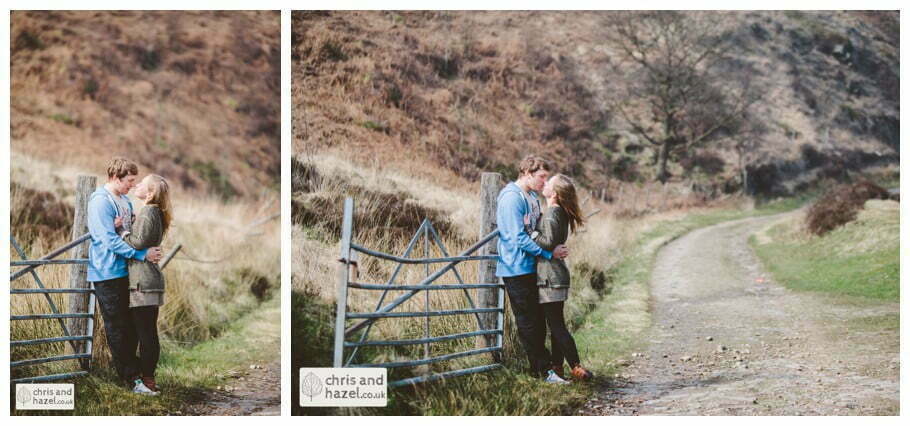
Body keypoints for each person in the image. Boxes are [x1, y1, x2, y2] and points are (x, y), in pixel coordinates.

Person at [86, 157, 163, 395]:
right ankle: (131, 380)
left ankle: (136, 375)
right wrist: (142, 254)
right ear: (115, 177)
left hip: (127, 274)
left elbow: (128, 233)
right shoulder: (101, 201)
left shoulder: (126, 201)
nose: (132, 184)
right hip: (107, 273)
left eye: (134, 180)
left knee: (130, 328)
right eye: (129, 180)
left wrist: (128, 232)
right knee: (117, 328)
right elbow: (107, 240)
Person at [495, 155, 570, 384]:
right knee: (528, 322)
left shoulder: (532, 198)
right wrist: (549, 253)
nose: (543, 182)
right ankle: (542, 371)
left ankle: (546, 369)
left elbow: (537, 232)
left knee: (538, 321)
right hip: (515, 267)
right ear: (527, 173)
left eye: (546, 177)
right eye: (541, 177)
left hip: (532, 267)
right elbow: (518, 237)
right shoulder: (511, 198)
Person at [533, 174, 593, 381]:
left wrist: (530, 233)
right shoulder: (559, 212)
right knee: (557, 324)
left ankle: (576, 367)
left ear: (555, 194)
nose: (545, 183)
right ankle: (558, 368)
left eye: (548, 182)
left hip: (550, 277)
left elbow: (548, 242)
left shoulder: (551, 213)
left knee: (557, 326)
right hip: (556, 276)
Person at [116, 174, 171, 395]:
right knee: (147, 332)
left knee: (146, 333)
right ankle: (147, 379)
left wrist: (121, 231)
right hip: (149, 280)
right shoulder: (153, 211)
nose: (136, 185)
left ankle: (147, 381)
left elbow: (138, 242)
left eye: (141, 184)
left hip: (143, 281)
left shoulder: (149, 210)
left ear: (149, 194)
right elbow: (144, 241)